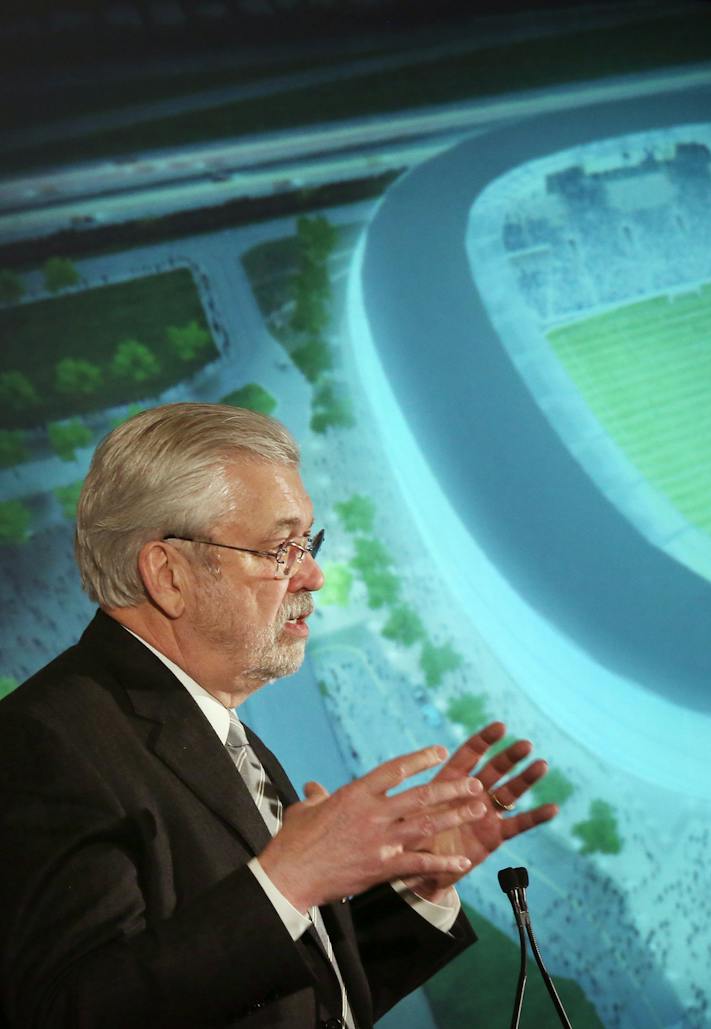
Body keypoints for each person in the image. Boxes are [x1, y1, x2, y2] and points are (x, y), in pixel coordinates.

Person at [0, 403, 558, 1028]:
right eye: (280, 549)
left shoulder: (223, 733)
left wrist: (415, 887)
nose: (314, 575)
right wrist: (288, 880)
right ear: (168, 573)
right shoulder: (43, 745)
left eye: (308, 543)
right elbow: (72, 1013)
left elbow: (283, 997)